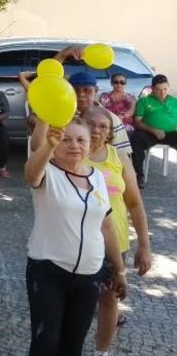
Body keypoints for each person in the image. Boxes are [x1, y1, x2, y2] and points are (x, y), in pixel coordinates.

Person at [24, 118, 127, 356]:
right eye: (65, 139)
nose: (74, 145)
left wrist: (120, 271)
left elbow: (107, 226)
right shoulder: (47, 172)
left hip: (90, 276)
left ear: (90, 145)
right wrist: (48, 145)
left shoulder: (97, 177)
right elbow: (31, 175)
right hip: (49, 271)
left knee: (73, 345)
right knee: (45, 343)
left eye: (81, 140)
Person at [84, 107, 151, 356]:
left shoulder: (118, 157)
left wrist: (144, 245)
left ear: (111, 132)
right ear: (81, 123)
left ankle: (102, 352)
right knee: (79, 300)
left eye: (104, 126)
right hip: (79, 242)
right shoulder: (72, 152)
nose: (97, 130)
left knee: (110, 299)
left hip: (115, 242)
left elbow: (134, 203)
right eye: (92, 124)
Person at [131, 74, 177, 189]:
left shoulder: (174, 101)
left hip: (172, 133)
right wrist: (153, 129)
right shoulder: (144, 101)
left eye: (165, 89)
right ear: (152, 89)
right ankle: (139, 175)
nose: (162, 93)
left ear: (169, 87)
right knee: (136, 138)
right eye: (159, 90)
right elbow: (137, 122)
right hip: (150, 132)